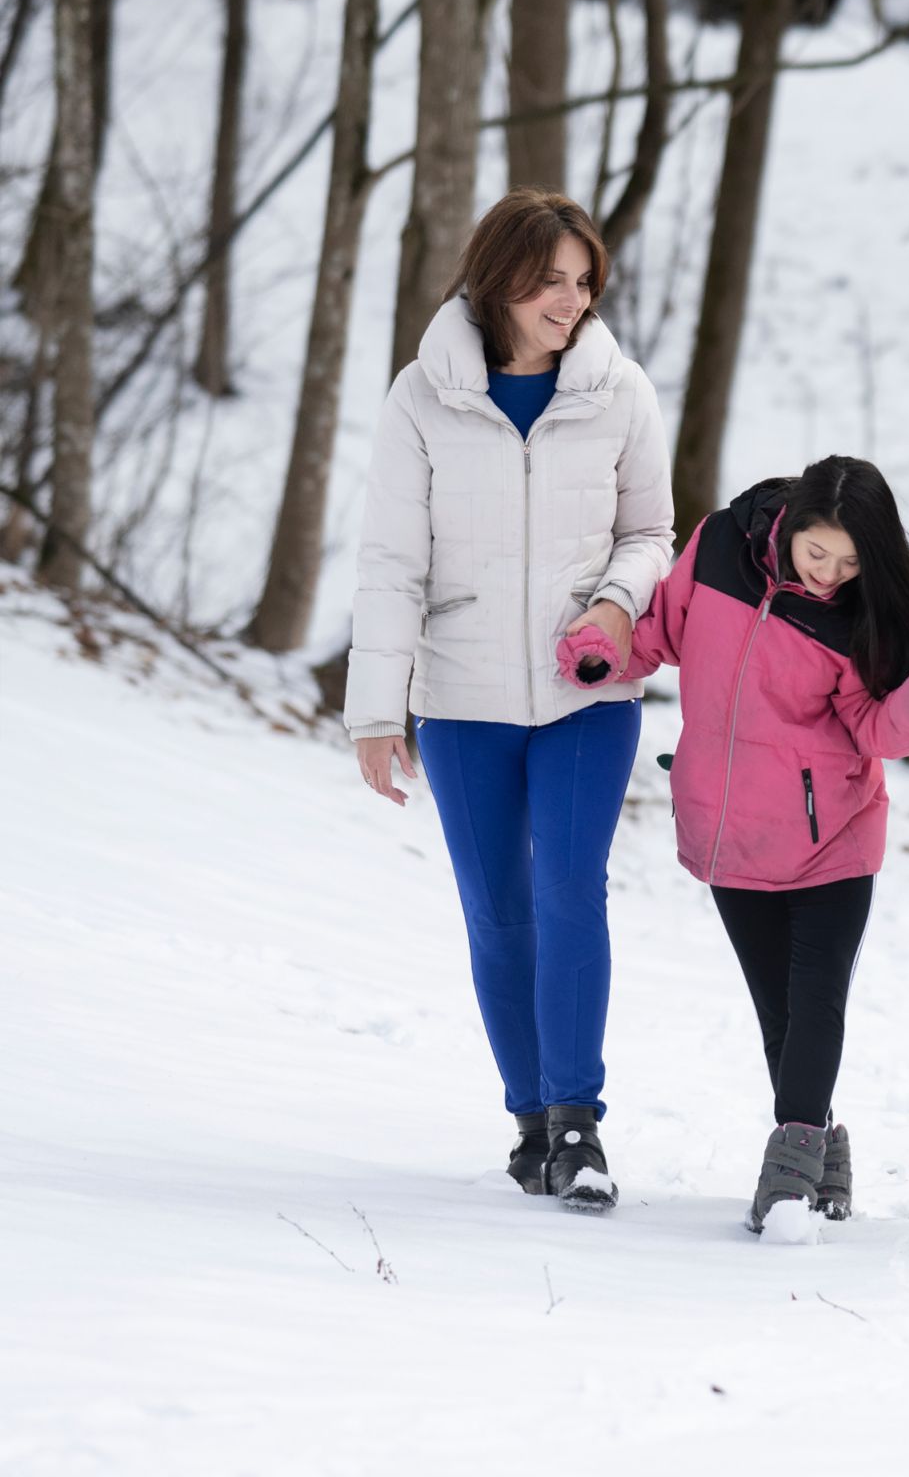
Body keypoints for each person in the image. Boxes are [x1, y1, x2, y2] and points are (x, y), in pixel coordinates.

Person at [345, 190, 673, 1213]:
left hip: (588, 690)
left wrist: (619, 605)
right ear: (497, 281)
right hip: (465, 696)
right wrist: (374, 710)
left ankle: (578, 1120)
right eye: (550, 280)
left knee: (571, 886)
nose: (571, 300)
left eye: (584, 281)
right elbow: (392, 560)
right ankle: (529, 1117)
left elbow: (652, 530)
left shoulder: (620, 391)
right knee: (495, 908)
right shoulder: (420, 397)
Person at [561, 457, 909, 1234]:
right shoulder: (716, 549)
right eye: (819, 555)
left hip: (832, 834)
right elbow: (660, 635)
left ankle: (785, 1177)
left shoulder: (857, 612)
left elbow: (876, 728)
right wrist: (599, 649)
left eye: (851, 564)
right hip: (729, 826)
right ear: (790, 526)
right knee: (777, 1012)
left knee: (816, 1001)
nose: (830, 576)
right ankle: (824, 1153)